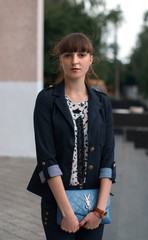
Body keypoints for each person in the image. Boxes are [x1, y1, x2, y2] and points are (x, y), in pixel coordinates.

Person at [27, 32, 116, 240]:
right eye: (68, 55)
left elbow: (108, 159)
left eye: (81, 54)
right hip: (57, 202)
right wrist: (67, 212)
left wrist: (99, 211)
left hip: (94, 203)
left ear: (90, 59)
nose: (74, 61)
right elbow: (47, 160)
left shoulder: (103, 103)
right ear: (61, 60)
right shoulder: (46, 100)